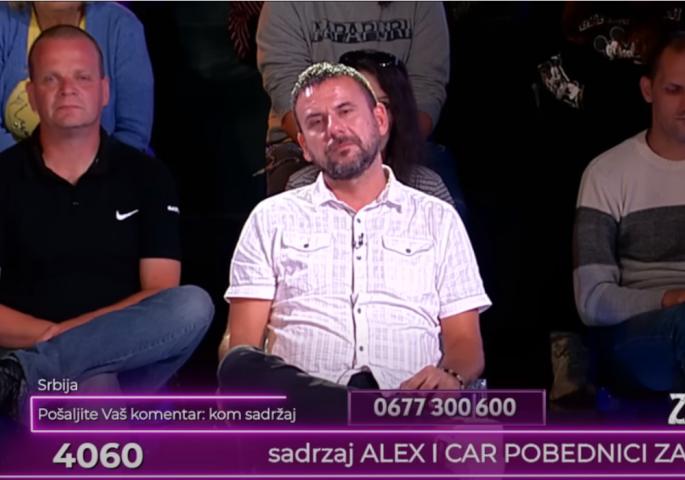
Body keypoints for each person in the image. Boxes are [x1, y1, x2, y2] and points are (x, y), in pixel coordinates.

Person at [219, 62, 490, 421]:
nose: (334, 129)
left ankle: (367, 416)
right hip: (305, 414)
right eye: (316, 122)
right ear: (304, 146)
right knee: (238, 364)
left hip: (409, 405)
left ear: (380, 119)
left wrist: (450, 377)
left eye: (345, 111)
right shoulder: (271, 218)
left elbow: (466, 344)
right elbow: (244, 350)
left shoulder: (437, 218)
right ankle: (361, 413)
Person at [0, 25, 213, 420]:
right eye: (51, 79)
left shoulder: (148, 176)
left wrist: (65, 343)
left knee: (192, 304)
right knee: (94, 385)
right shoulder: (3, 176)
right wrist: (53, 342)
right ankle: (37, 377)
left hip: (125, 359)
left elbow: (160, 291)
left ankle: (28, 376)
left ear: (104, 90)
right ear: (30, 94)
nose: (67, 89)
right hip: (20, 348)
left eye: (82, 77)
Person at [573, 29, 685, 393]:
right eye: (674, 90)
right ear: (648, 90)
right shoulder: (607, 173)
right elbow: (592, 300)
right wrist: (670, 298)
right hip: (639, 332)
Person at [255, 1, 451, 195]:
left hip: (401, 139)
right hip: (305, 144)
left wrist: (382, 154)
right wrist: (348, 157)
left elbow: (426, 93)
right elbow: (292, 101)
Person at [286, 49, 462, 214]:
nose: (336, 128)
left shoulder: (429, 189)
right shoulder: (300, 188)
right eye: (346, 109)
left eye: (383, 105)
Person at [0, 1, 154, 153]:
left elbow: (133, 132)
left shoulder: (122, 25)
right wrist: (32, 165)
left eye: (83, 78)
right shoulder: (4, 20)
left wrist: (97, 167)